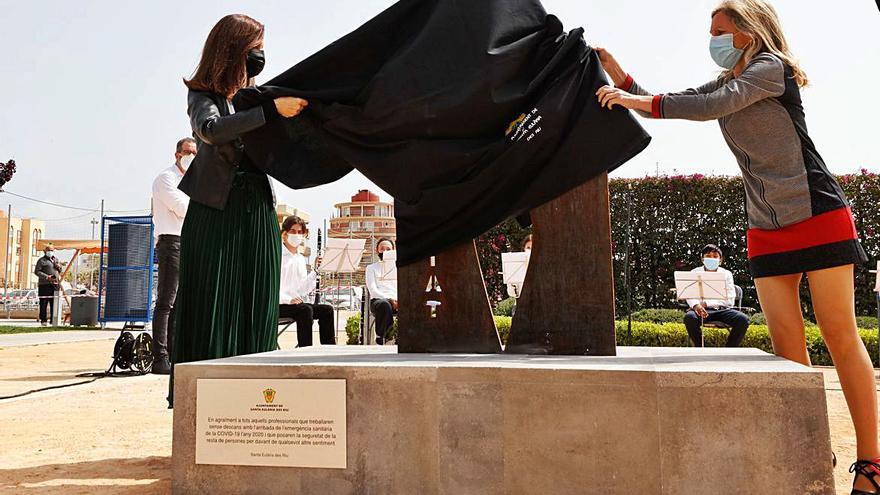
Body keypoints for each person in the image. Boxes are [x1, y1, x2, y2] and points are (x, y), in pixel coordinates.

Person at [595, 1, 877, 491]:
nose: (714, 40)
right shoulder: (728, 79)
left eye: (720, 30)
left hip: (817, 214)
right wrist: (620, 77)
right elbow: (672, 102)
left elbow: (705, 109)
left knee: (838, 334)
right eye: (712, 32)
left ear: (749, 32)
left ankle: (872, 464)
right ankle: (812, 448)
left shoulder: (771, 69)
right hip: (765, 225)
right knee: (788, 346)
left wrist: (631, 98)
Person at [170, 14, 307, 407]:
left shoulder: (255, 95)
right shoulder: (202, 95)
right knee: (215, 299)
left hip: (259, 208)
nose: (261, 56)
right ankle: (210, 403)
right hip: (218, 210)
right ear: (233, 50)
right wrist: (269, 113)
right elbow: (211, 130)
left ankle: (258, 398)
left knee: (258, 297)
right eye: (254, 48)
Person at [149, 137, 195, 374]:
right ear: (177, 154)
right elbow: (184, 209)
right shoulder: (166, 178)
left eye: (196, 153)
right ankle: (160, 357)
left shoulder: (194, 180)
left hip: (188, 242)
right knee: (166, 302)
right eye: (188, 152)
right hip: (171, 242)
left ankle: (175, 354)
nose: (192, 157)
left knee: (179, 303)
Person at [278, 215, 335, 346]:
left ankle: (329, 350)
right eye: (293, 231)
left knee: (327, 310)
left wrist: (316, 271)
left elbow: (303, 289)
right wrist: (288, 299)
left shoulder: (300, 259)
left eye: (300, 232)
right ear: (284, 234)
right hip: (279, 304)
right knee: (305, 310)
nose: (297, 235)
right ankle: (305, 350)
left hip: (297, 305)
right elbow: (270, 287)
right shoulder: (277, 255)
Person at [682, 244, 749, 347]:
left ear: (720, 260)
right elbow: (689, 295)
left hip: (723, 310)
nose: (711, 258)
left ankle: (729, 349)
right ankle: (700, 347)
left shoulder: (727, 274)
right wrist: (696, 306)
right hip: (700, 310)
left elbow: (730, 300)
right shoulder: (694, 272)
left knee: (742, 319)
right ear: (702, 258)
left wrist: (707, 303)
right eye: (708, 256)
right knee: (689, 318)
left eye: (715, 256)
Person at [365, 238, 397, 345]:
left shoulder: (398, 268)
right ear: (377, 250)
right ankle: (385, 337)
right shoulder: (371, 268)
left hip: (397, 300)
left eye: (388, 249)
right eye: (382, 249)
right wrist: (389, 299)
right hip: (379, 301)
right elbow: (373, 290)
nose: (385, 251)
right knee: (384, 305)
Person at [34, 243, 62, 327]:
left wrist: (58, 266)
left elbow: (60, 270)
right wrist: (47, 277)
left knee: (54, 303)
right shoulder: (41, 260)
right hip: (44, 284)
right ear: (45, 251)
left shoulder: (56, 259)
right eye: (49, 250)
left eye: (52, 250)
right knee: (43, 303)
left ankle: (53, 320)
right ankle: (43, 320)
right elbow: (37, 271)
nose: (50, 252)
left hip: (55, 284)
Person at [506, 234, 533, 299]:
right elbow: (512, 293)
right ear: (524, 248)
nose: (530, 251)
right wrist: (511, 282)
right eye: (528, 248)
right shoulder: (516, 265)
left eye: (533, 248)